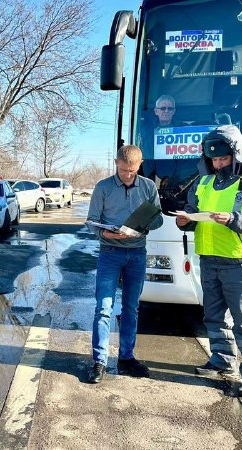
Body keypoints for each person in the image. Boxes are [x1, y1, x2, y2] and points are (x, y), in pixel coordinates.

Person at [175, 125, 242, 398]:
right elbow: (192, 210)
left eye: (223, 159)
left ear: (236, 154)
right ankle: (221, 359)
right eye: (214, 160)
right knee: (213, 315)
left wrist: (233, 219)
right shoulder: (204, 181)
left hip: (240, 262)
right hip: (208, 259)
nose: (218, 164)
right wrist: (185, 220)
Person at [86, 145, 164, 384]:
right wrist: (106, 235)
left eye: (132, 170)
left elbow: (159, 219)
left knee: (131, 308)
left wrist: (143, 226)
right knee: (104, 308)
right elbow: (91, 222)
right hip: (110, 253)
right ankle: (99, 361)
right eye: (123, 170)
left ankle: (126, 358)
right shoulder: (103, 187)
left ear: (140, 165)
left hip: (137, 254)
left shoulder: (149, 187)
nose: (127, 175)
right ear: (116, 163)